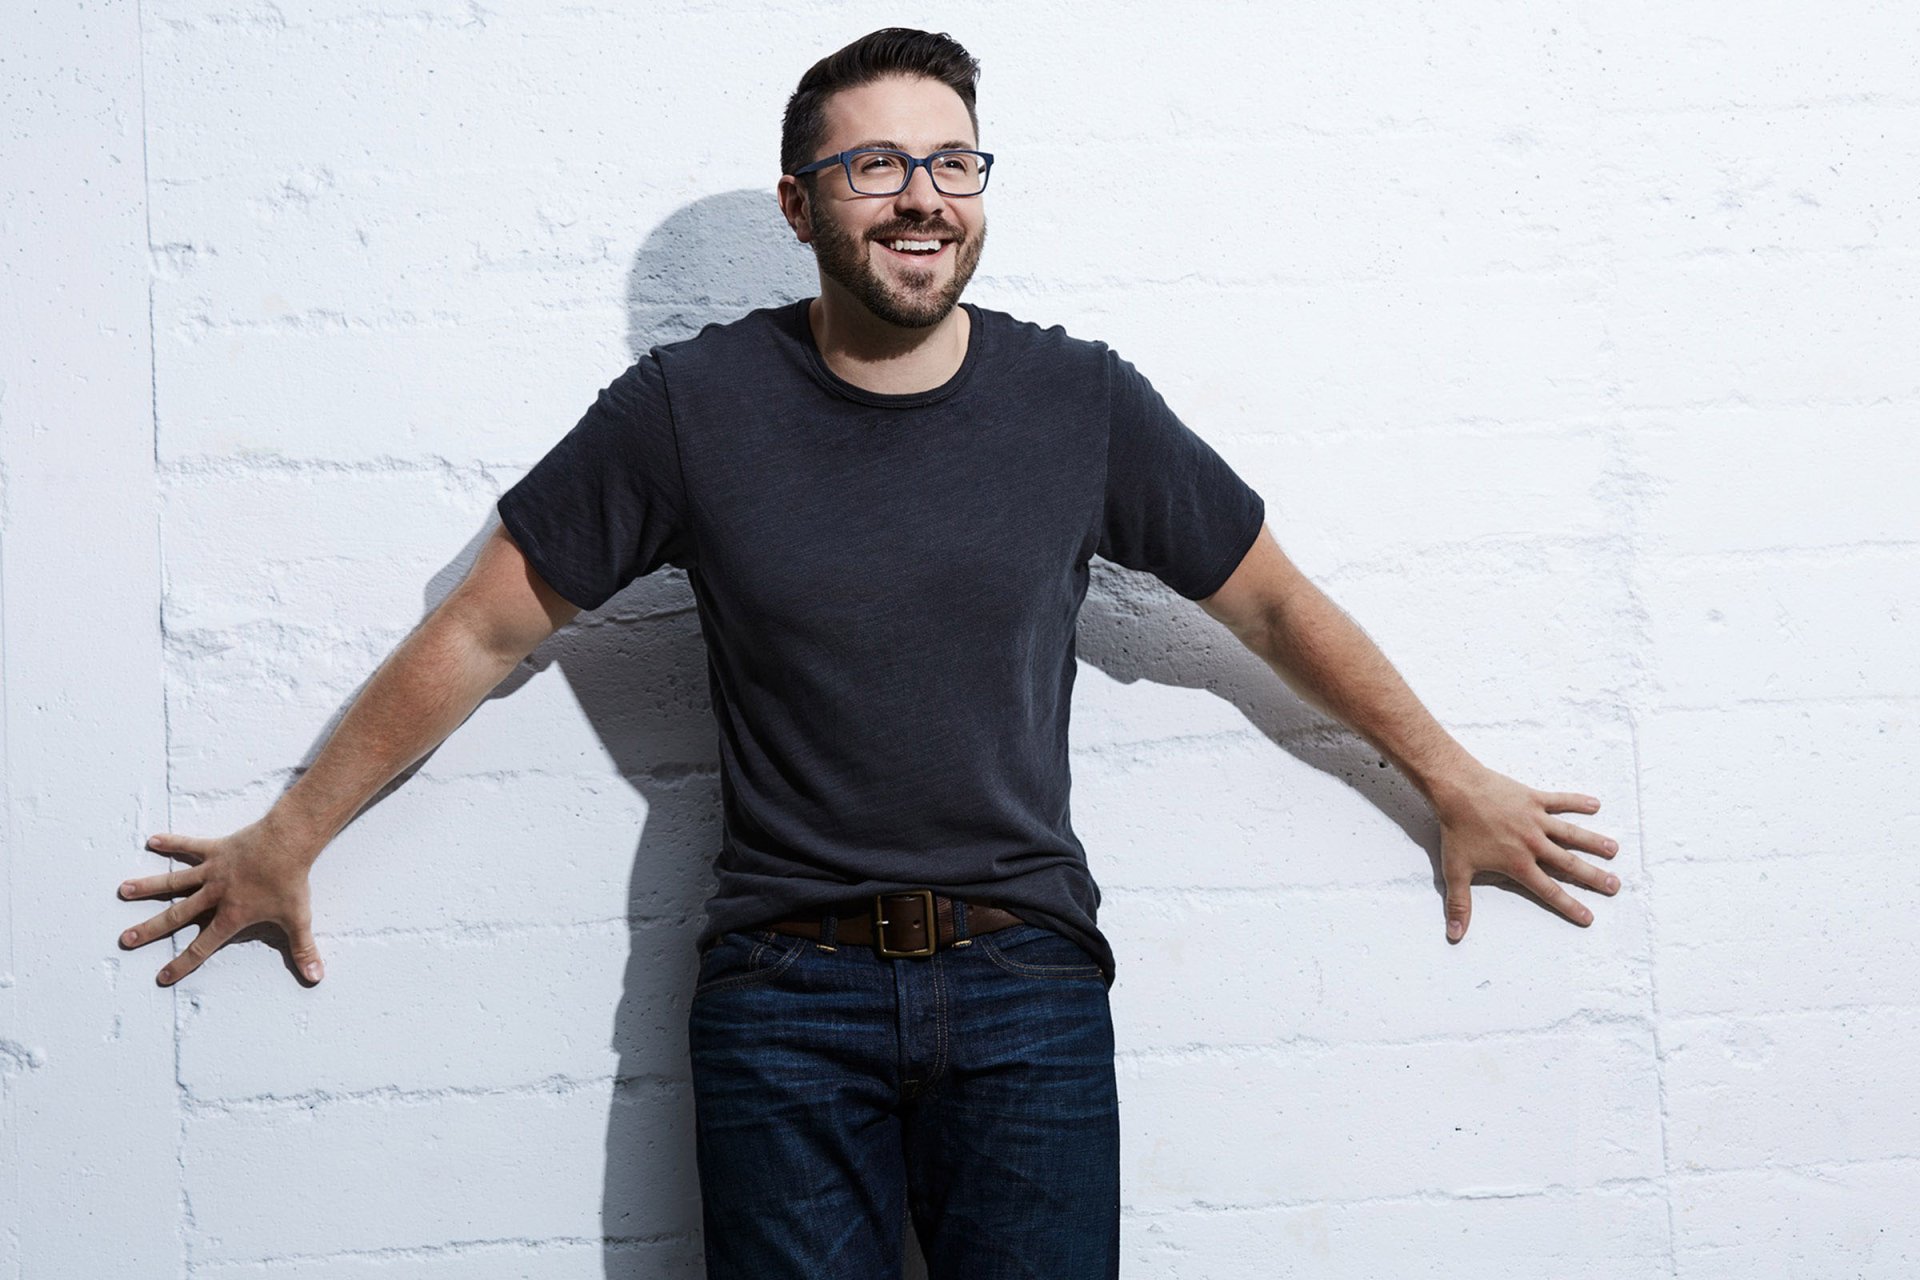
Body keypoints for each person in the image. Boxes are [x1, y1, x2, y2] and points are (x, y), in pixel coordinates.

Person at [113, 26, 1622, 1279]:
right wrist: (289, 836)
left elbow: (1275, 605)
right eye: (877, 165)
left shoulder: (1078, 403)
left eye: (953, 162)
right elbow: (483, 626)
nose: (922, 199)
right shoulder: (689, 411)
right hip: (783, 1002)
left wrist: (1451, 782)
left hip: (1028, 986)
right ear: (800, 205)